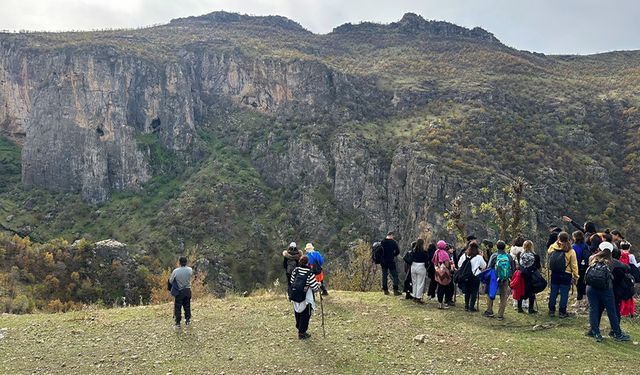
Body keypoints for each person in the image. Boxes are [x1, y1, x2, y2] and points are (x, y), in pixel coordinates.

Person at [585, 242, 631, 342]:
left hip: (591, 288)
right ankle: (618, 334)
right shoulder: (612, 261)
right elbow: (627, 267)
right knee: (612, 311)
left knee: (593, 310)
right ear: (611, 251)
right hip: (606, 289)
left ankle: (596, 333)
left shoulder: (592, 258)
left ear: (599, 249)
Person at [547, 232, 579, 318]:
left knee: (553, 292)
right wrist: (576, 276)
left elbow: (548, 251)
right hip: (566, 274)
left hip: (555, 273)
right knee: (564, 293)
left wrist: (557, 242)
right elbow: (574, 265)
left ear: (558, 239)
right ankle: (562, 312)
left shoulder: (553, 248)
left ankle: (551, 310)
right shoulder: (571, 251)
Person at [289, 256, 321, 339]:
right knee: (305, 314)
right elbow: (314, 287)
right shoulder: (310, 272)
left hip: (295, 294)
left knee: (297, 312)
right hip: (306, 296)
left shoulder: (296, 270)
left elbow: (292, 281)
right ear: (308, 263)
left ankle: (299, 327)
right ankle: (302, 333)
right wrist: (318, 285)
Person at [483, 241, 515, 321]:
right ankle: (500, 315)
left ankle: (489, 311)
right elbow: (512, 268)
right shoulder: (509, 256)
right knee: (503, 296)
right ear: (504, 247)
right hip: (505, 278)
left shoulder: (494, 255)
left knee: (491, 293)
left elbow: (489, 266)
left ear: (496, 247)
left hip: (494, 278)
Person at [457, 242, 486, 312]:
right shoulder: (479, 257)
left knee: (467, 291)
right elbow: (484, 266)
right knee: (474, 291)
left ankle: (466, 306)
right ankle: (471, 307)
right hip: (475, 276)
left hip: (466, 276)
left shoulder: (464, 255)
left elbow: (459, 264)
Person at [169, 256, 193, 328]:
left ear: (179, 262)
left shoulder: (176, 271)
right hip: (188, 290)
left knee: (178, 306)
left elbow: (171, 281)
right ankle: (188, 320)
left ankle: (178, 322)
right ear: (186, 262)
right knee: (187, 305)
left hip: (180, 291)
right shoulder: (190, 269)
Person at [519, 240, 541, 314]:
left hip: (522, 275)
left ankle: (519, 308)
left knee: (521, 290)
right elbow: (538, 266)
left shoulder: (520, 254)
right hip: (531, 275)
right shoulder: (536, 256)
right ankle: (530, 309)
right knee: (532, 291)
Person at [433, 240, 453, 309]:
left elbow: (434, 261)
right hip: (444, 272)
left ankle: (439, 303)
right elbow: (447, 264)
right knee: (444, 287)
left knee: (439, 287)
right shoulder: (444, 253)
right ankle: (443, 303)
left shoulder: (436, 252)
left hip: (438, 271)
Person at [572, 231, 590, 308]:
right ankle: (585, 300)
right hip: (585, 267)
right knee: (584, 283)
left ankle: (578, 301)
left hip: (577, 267)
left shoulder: (574, 246)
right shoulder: (585, 245)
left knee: (578, 284)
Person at [410, 239, 428, 303]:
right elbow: (426, 261)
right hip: (421, 266)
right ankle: (418, 297)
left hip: (413, 266)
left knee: (414, 282)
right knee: (420, 283)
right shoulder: (424, 252)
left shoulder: (413, 251)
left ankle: (414, 296)